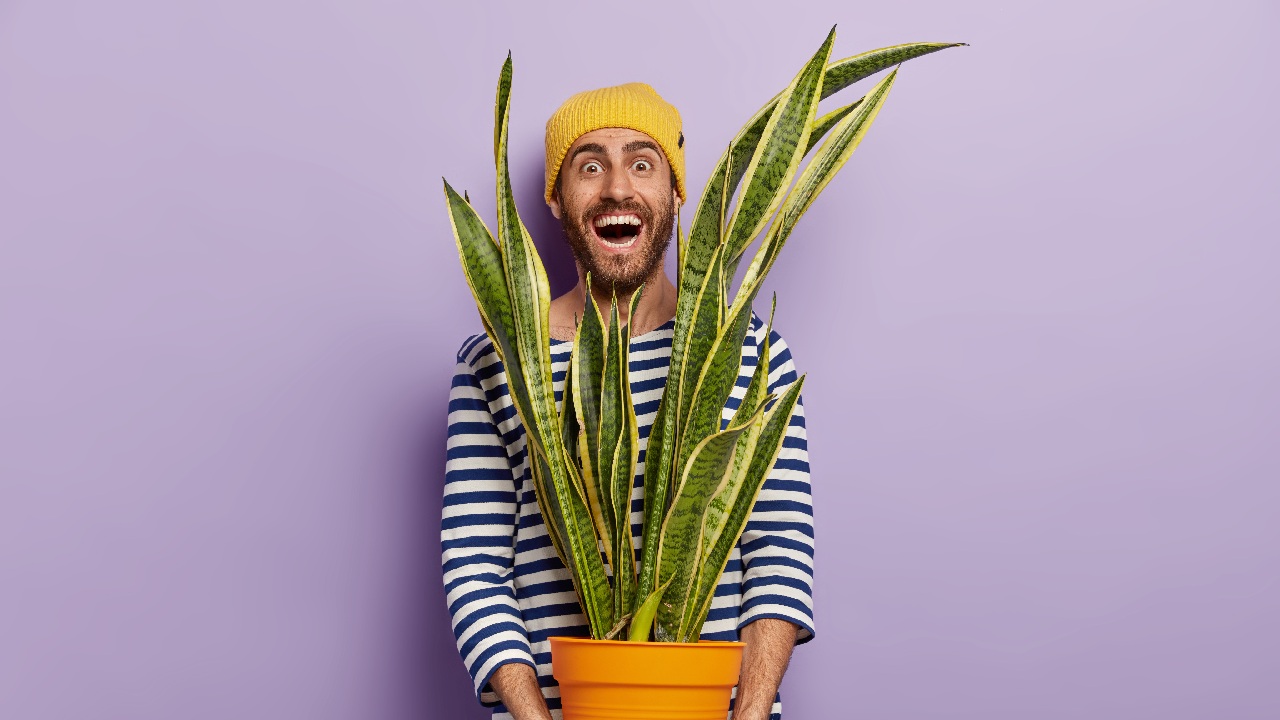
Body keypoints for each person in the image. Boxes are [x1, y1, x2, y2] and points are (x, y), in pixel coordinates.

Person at [442, 82, 814, 720]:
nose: (617, 187)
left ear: (675, 191)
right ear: (556, 200)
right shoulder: (498, 363)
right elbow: (475, 566)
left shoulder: (751, 355)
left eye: (643, 163)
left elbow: (779, 555)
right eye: (589, 166)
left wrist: (750, 715)